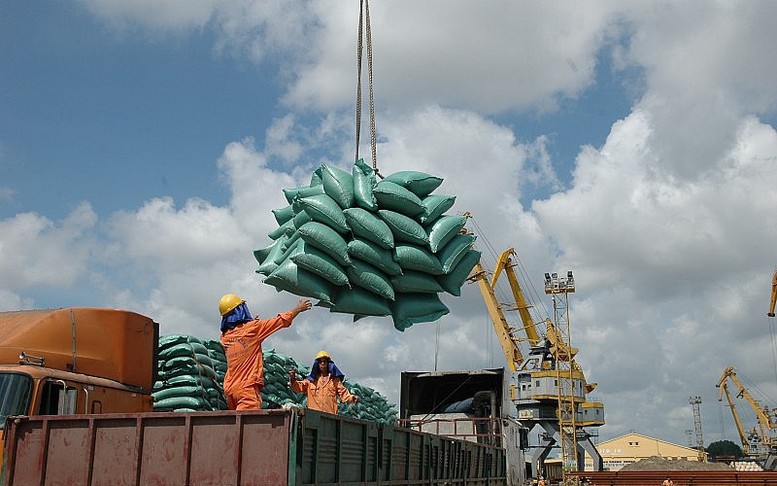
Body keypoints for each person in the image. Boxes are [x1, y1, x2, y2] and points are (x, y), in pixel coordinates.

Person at [219, 293, 312, 410]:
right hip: (247, 389)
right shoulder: (253, 329)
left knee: (238, 424)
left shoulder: (224, 337)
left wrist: (248, 324)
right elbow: (278, 322)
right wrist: (297, 309)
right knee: (249, 426)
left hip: (230, 389)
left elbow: (239, 338)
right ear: (241, 309)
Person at [289, 350, 358, 414]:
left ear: (328, 364)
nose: (323, 363)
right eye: (320, 362)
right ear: (317, 364)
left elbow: (343, 392)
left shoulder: (334, 380)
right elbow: (297, 387)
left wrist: (351, 398)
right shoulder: (311, 381)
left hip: (330, 417)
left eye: (325, 361)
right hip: (314, 416)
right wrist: (292, 379)